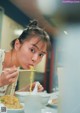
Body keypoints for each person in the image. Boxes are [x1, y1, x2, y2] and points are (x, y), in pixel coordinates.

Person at [0, 20, 51, 96]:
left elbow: (4, 101)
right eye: (32, 50)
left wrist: (26, 90)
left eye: (41, 55)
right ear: (17, 44)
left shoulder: (15, 68)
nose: (35, 59)